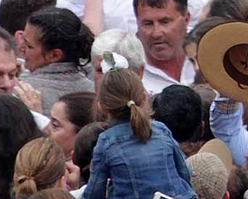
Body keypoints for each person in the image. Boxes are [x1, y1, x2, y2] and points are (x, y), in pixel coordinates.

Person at [82, 66, 195, 199]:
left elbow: (95, 192)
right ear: (145, 98)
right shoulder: (161, 129)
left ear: (101, 107)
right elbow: (184, 172)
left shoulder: (106, 142)